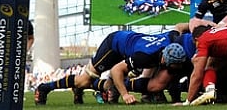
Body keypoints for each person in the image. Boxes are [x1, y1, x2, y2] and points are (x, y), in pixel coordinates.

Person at [34, 30, 179, 106]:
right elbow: (117, 70)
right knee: (84, 80)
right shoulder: (146, 56)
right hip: (113, 45)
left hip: (128, 45)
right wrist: (126, 95)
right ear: (164, 58)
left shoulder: (170, 39)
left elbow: (179, 27)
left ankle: (90, 89)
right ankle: (44, 88)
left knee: (112, 86)